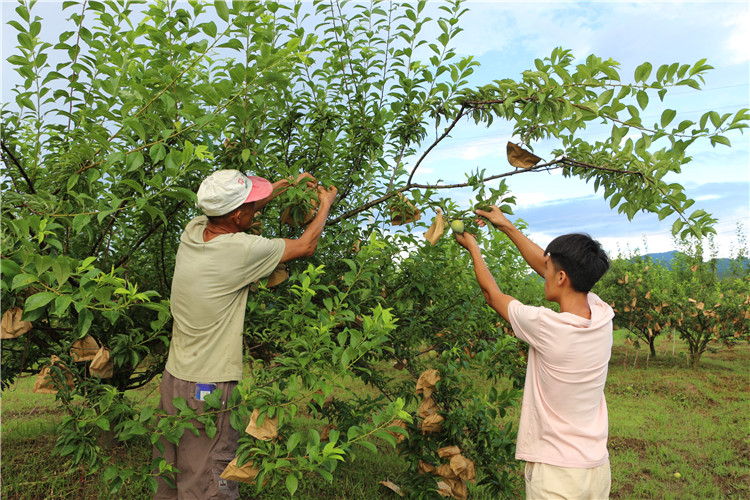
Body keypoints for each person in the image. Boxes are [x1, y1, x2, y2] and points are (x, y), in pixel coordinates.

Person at [154, 169, 337, 500]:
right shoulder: (241, 250)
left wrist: (288, 185)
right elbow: (306, 245)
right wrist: (325, 203)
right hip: (208, 387)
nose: (256, 210)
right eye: (250, 206)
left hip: (173, 379)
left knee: (172, 471)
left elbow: (239, 211)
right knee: (211, 479)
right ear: (239, 215)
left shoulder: (193, 230)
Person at [454, 205, 613, 500]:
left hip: (557, 474)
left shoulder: (547, 326)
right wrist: (505, 225)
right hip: (596, 469)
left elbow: (492, 296)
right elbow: (547, 265)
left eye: (550, 270)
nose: (544, 273)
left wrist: (473, 248)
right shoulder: (603, 314)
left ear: (562, 277)